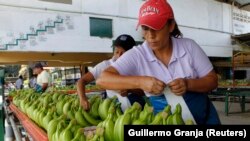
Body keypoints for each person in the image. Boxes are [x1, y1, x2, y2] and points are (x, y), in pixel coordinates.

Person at [97, 0, 220, 125]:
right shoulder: (138, 55)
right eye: (145, 28)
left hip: (205, 119)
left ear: (171, 26)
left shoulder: (189, 47)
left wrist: (188, 84)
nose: (151, 35)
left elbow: (212, 80)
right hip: (164, 121)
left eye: (157, 27)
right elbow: (102, 80)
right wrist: (140, 82)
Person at [77, 34, 145, 111]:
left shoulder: (138, 66)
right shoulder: (106, 65)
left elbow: (144, 91)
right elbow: (81, 81)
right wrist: (83, 98)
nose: (119, 55)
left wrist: (130, 90)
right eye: (117, 51)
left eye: (123, 53)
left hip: (135, 104)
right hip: (112, 106)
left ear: (131, 53)